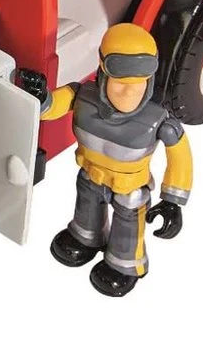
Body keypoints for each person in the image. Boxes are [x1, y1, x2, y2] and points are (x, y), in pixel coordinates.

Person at [23, 23, 192, 297]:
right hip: (91, 177)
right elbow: (51, 108)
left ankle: (124, 265)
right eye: (120, 82)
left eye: (138, 83)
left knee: (128, 228)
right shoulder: (81, 97)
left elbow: (180, 158)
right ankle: (85, 237)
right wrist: (40, 98)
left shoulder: (159, 122)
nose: (129, 92)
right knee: (86, 212)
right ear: (103, 73)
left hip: (130, 190)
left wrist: (173, 201)